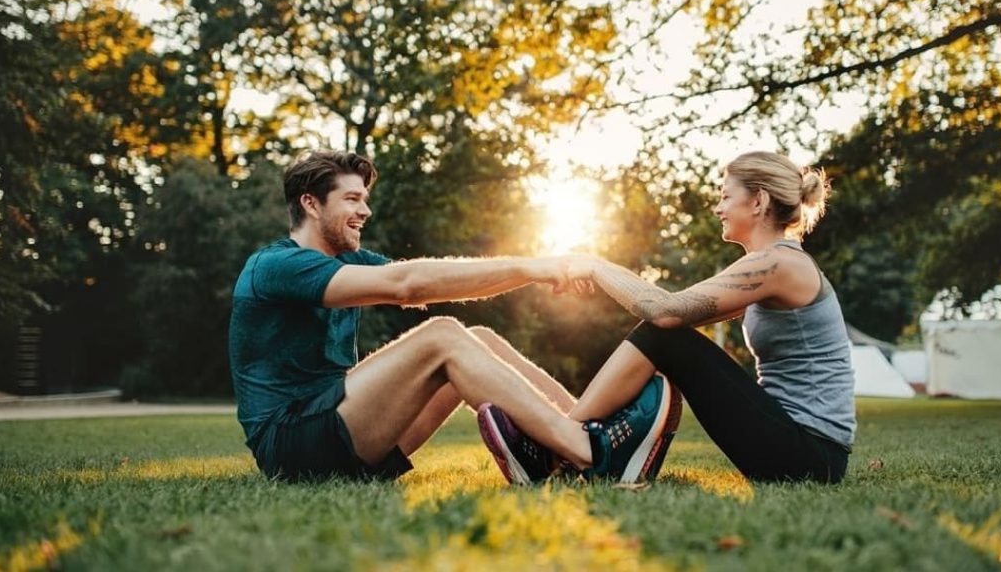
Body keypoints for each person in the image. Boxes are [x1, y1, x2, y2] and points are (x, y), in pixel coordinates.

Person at [228, 150, 681, 483]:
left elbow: (442, 279)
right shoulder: (275, 266)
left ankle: (583, 432)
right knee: (442, 336)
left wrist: (535, 272)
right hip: (291, 445)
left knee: (479, 337)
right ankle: (591, 453)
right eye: (351, 199)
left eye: (364, 199)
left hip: (338, 431)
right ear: (311, 204)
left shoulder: (354, 263)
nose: (364, 210)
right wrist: (529, 266)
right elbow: (409, 286)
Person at [480, 151, 853, 484]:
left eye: (725, 196)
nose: (718, 208)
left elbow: (665, 312)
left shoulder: (779, 264)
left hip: (810, 455)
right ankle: (575, 440)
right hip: (801, 448)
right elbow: (671, 311)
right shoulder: (774, 265)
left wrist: (594, 265)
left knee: (665, 334)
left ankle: (556, 445)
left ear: (758, 201)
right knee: (665, 337)